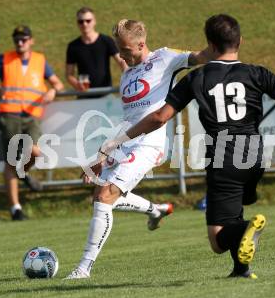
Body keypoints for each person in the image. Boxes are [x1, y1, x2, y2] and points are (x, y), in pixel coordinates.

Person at [98, 14, 275, 279]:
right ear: (240, 41)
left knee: (218, 240)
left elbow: (159, 117)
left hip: (223, 157)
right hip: (255, 156)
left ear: (210, 43)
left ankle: (245, 230)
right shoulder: (256, 73)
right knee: (233, 209)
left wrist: (117, 141)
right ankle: (241, 269)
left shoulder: (197, 78)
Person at [65, 19, 208, 279]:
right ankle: (156, 210)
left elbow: (201, 56)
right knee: (101, 194)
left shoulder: (166, 58)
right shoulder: (128, 73)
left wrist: (224, 45)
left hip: (150, 142)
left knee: (104, 197)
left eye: (125, 49)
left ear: (141, 44)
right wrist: (102, 154)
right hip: (125, 140)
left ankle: (83, 268)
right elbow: (129, 120)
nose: (121, 54)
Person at [0, 25, 64, 220]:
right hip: (10, 115)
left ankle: (23, 174)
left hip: (32, 115)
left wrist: (53, 90)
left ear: (31, 40)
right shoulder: (4, 59)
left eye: (23, 39)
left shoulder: (40, 60)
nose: (20, 43)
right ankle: (15, 209)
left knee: (35, 152)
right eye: (17, 40)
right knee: (10, 162)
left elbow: (58, 83)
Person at [66, 7, 127, 97]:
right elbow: (69, 74)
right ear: (77, 23)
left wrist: (128, 75)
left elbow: (121, 61)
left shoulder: (106, 41)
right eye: (81, 21)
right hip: (84, 96)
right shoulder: (73, 46)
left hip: (105, 94)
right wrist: (77, 84)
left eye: (88, 20)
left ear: (94, 21)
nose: (84, 24)